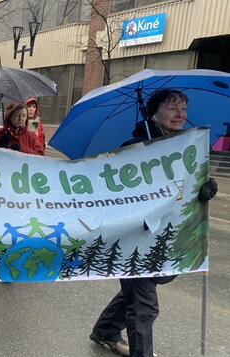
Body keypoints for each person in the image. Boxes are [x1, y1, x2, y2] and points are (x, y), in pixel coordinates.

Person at [90, 89, 217, 357]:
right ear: (154, 113)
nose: (180, 114)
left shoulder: (188, 149)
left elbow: (188, 189)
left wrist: (206, 187)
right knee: (144, 303)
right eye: (172, 108)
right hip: (135, 238)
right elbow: (116, 194)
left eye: (183, 108)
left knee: (138, 292)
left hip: (166, 238)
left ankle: (105, 329)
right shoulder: (133, 148)